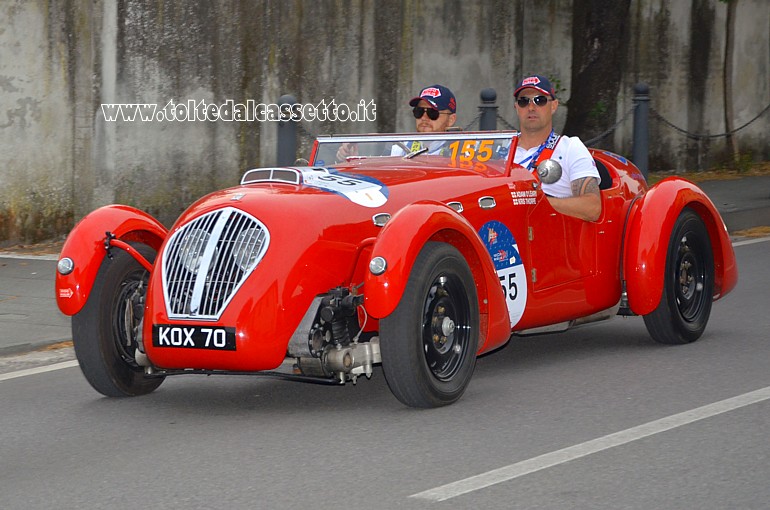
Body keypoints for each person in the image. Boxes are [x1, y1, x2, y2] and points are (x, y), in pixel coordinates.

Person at [512, 74, 601, 222]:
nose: (531, 107)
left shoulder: (570, 147)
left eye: (540, 100)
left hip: (551, 234)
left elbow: (592, 207)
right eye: (524, 101)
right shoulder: (503, 149)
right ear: (516, 108)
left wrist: (533, 203)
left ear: (553, 105)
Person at [336, 84, 457, 160]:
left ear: (451, 120)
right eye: (419, 111)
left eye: (432, 113)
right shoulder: (403, 147)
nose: (424, 117)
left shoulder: (463, 150)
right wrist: (352, 157)